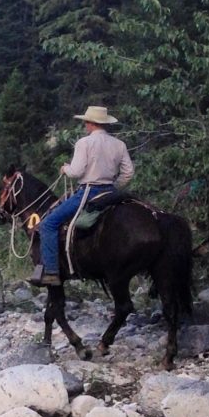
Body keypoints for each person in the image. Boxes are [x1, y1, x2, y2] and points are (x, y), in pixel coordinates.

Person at [30, 105, 135, 287]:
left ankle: (52, 272)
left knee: (48, 224)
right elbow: (128, 173)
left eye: (85, 122)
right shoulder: (119, 144)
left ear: (90, 123)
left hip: (88, 192)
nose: (85, 125)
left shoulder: (84, 143)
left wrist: (65, 169)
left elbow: (77, 172)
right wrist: (113, 187)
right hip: (110, 191)